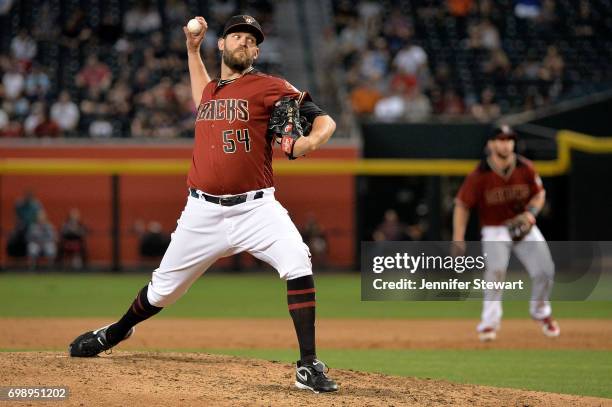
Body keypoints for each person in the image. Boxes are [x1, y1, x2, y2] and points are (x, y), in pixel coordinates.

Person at [68, 15, 338, 393]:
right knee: (162, 291)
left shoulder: (270, 86)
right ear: (221, 46)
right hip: (202, 211)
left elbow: (325, 120)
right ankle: (115, 332)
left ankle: (308, 365)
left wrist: (309, 143)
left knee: (297, 258)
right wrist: (192, 50)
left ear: (257, 51)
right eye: (236, 36)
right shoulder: (211, 91)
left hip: (256, 209)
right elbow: (202, 92)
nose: (244, 42)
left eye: (250, 39)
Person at [452, 125, 560, 342]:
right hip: (494, 228)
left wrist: (530, 214)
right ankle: (489, 323)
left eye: (509, 139)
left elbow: (539, 195)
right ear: (490, 144)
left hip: (524, 224)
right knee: (496, 272)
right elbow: (462, 205)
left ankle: (541, 313)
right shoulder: (479, 174)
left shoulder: (525, 167)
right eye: (500, 139)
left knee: (545, 270)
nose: (506, 143)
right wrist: (458, 237)